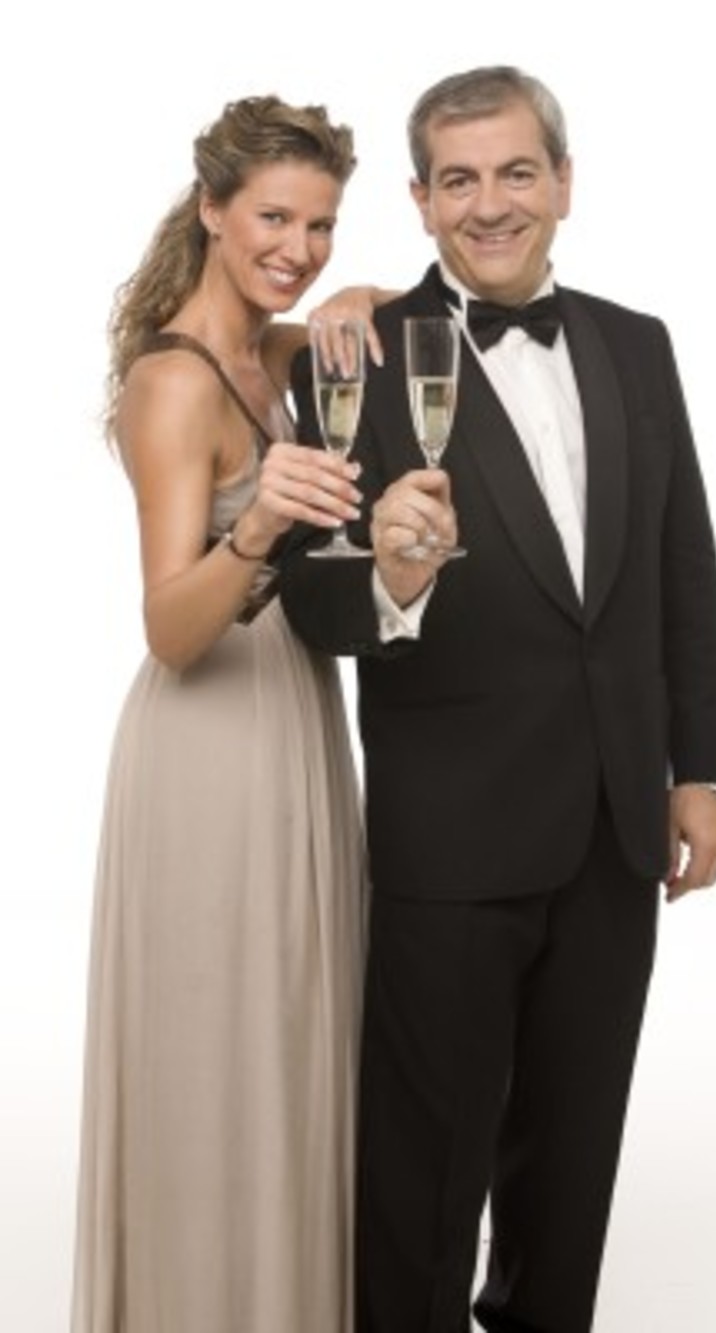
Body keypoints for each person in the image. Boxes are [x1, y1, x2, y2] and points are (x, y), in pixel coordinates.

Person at [280, 66, 716, 1333]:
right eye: (460, 180)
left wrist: (699, 768)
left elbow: (680, 565)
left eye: (517, 172)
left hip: (612, 824)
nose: (490, 204)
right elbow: (308, 600)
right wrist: (392, 573)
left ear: (563, 184)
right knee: (421, 1175)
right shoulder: (355, 355)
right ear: (420, 202)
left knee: (570, 1161)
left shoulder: (637, 345)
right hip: (450, 834)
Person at [71, 93, 391, 1333]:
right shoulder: (172, 381)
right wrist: (258, 524)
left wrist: (353, 299)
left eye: (320, 225)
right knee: (214, 1057)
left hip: (294, 719)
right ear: (210, 209)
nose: (297, 248)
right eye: (272, 218)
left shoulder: (279, 351)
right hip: (207, 751)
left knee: (291, 1046)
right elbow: (169, 624)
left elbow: (381, 324)